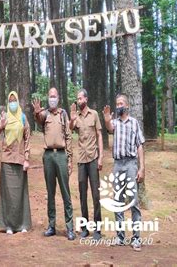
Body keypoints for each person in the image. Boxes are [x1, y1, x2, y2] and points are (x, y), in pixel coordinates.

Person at [104, 94, 145, 252]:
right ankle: (120, 237)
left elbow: (140, 145)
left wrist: (141, 168)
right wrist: (107, 118)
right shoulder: (115, 122)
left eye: (121, 103)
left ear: (127, 106)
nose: (119, 105)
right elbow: (109, 128)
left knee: (133, 201)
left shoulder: (134, 123)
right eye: (117, 103)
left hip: (130, 164)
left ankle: (136, 238)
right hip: (117, 165)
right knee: (118, 201)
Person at [33, 87, 75, 240]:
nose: (52, 98)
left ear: (58, 98)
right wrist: (36, 112)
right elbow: (38, 120)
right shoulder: (45, 114)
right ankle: (51, 225)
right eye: (50, 96)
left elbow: (69, 137)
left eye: (54, 96)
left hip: (62, 156)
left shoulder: (63, 114)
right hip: (49, 156)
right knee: (50, 192)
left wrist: (70, 160)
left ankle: (70, 227)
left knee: (65, 192)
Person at [0, 91, 31, 235]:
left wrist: (27, 158)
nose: (13, 103)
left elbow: (27, 137)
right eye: (10, 100)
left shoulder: (22, 117)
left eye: (14, 100)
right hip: (7, 160)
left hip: (20, 159)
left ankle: (22, 224)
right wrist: (2, 125)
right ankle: (8, 225)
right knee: (8, 193)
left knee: (21, 192)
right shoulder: (5, 117)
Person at [69, 89, 103, 241]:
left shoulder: (94, 114)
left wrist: (101, 157)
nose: (79, 100)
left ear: (86, 99)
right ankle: (84, 228)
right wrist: (71, 118)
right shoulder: (77, 117)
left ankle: (97, 229)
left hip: (93, 158)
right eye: (77, 98)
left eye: (80, 98)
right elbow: (70, 129)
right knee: (83, 195)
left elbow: (99, 135)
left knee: (96, 195)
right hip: (81, 160)